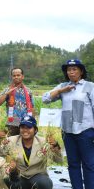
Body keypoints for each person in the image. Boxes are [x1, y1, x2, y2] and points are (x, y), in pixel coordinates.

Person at [42, 59, 94, 189]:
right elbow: (45, 99)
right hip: (68, 132)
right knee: (73, 164)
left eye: (74, 69)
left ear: (81, 71)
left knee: (89, 164)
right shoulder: (63, 86)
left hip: (85, 131)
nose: (71, 72)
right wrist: (61, 91)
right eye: (69, 70)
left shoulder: (90, 86)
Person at [0, 116, 62, 189]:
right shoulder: (12, 140)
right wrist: (2, 144)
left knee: (45, 183)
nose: (25, 130)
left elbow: (59, 160)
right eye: (22, 127)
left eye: (29, 127)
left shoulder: (43, 142)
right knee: (7, 178)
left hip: (37, 176)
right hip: (20, 175)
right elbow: (2, 153)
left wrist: (55, 147)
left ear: (35, 130)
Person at [0, 68, 34, 136]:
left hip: (26, 122)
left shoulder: (28, 91)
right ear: (12, 77)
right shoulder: (7, 89)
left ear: (22, 76)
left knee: (25, 142)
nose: (16, 77)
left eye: (18, 75)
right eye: (14, 75)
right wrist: (7, 94)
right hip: (12, 123)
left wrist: (33, 122)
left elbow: (32, 107)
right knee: (11, 143)